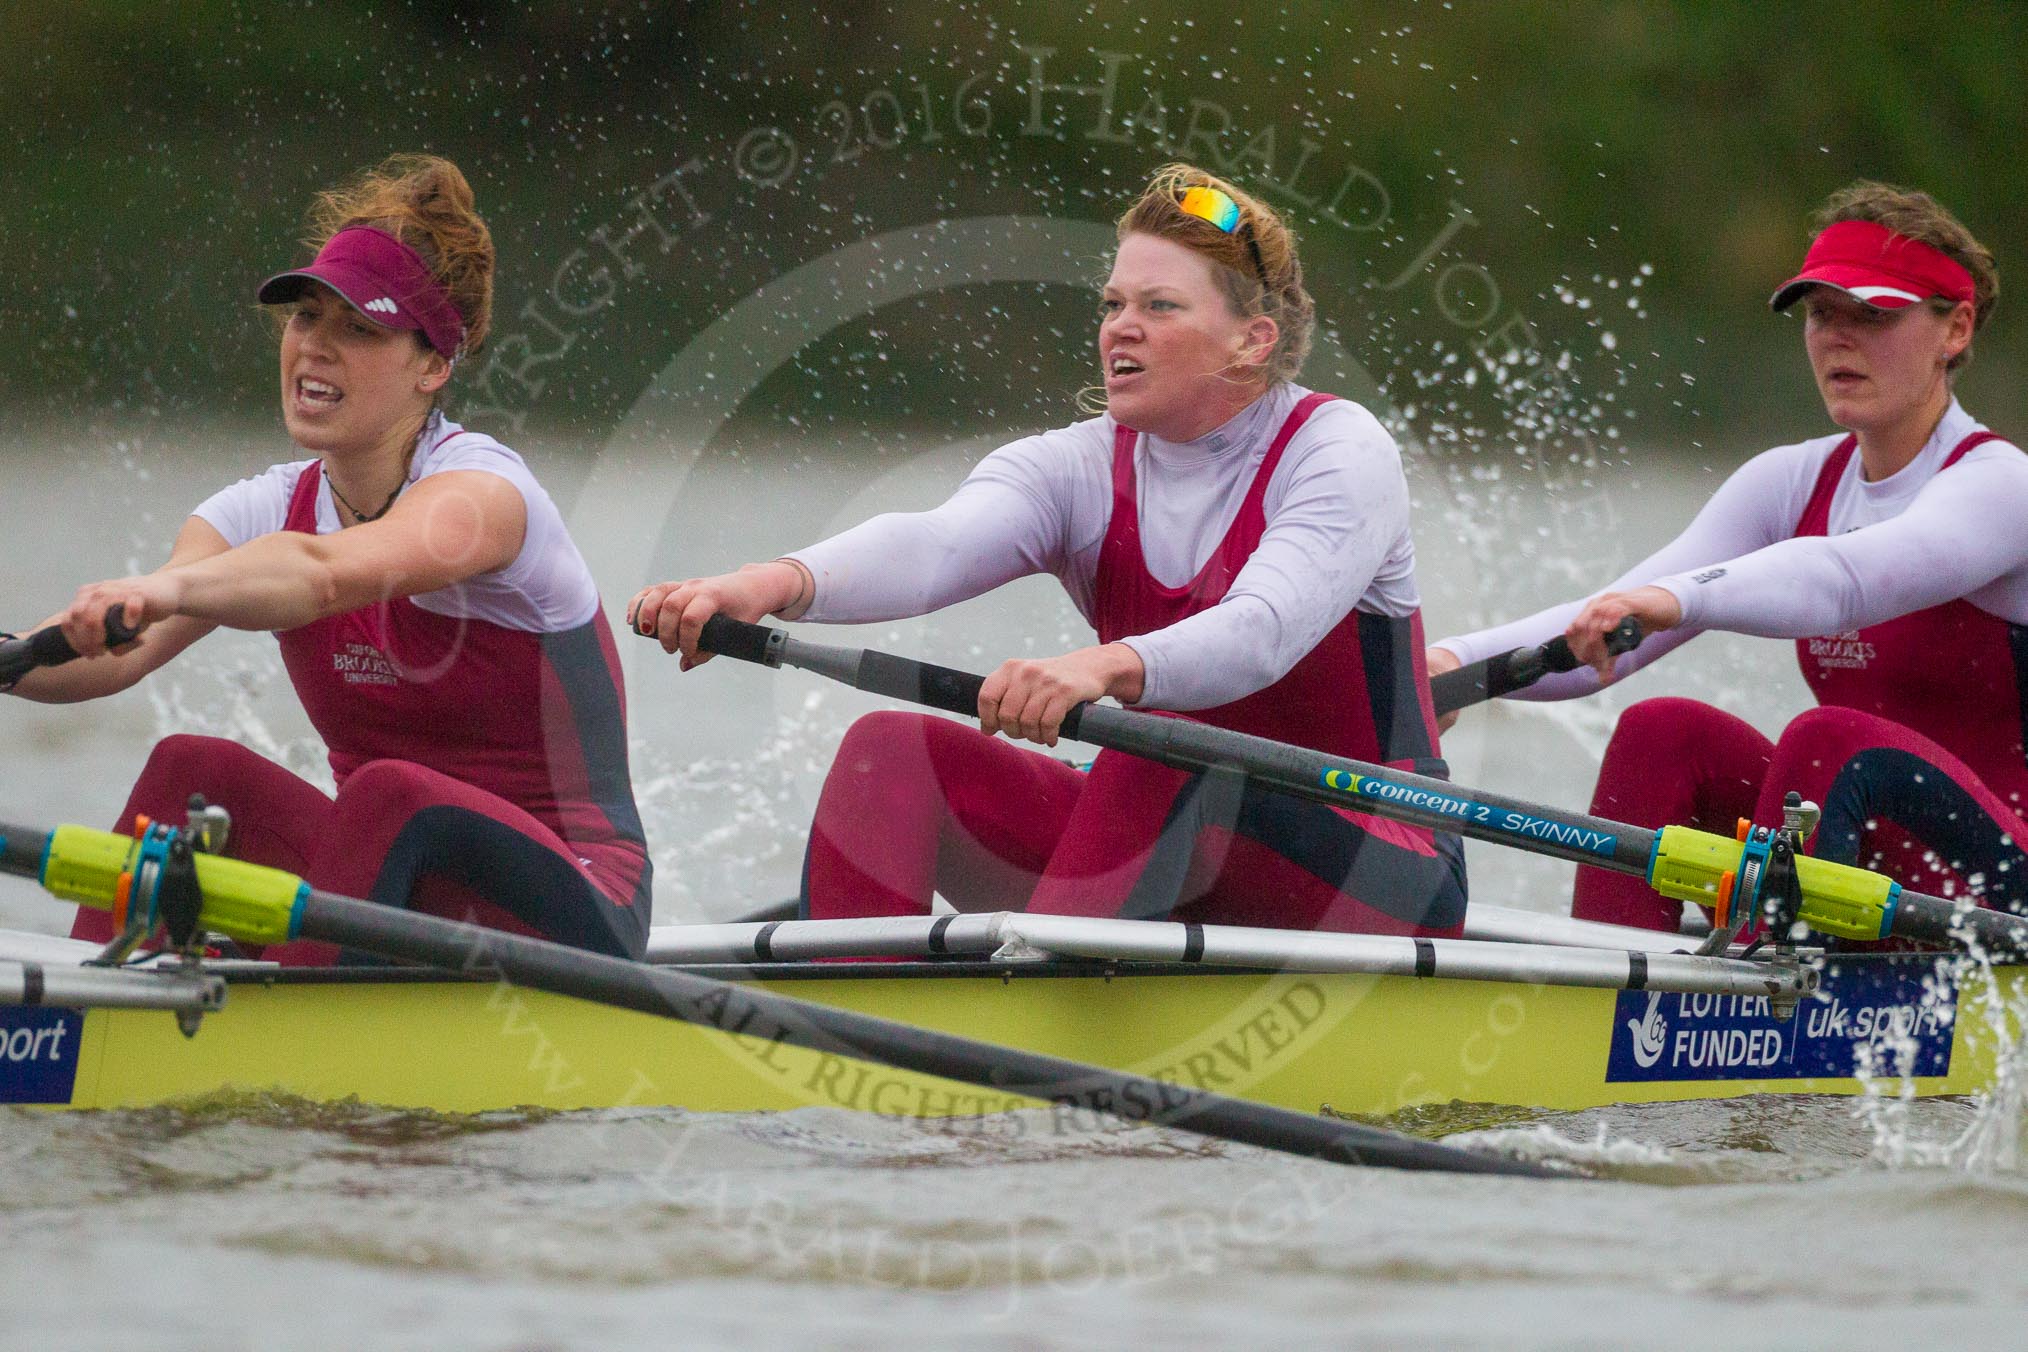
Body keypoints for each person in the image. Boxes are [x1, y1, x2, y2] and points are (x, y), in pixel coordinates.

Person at [632, 163, 1465, 935]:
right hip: (1169, 837)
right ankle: (853, 1004)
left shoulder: (1340, 450)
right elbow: (934, 545)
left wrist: (1099, 669)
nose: (1119, 330)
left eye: (1159, 307)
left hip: (1380, 855)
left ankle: (1042, 1004)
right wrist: (767, 583)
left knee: (1165, 755)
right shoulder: (1074, 466)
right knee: (891, 753)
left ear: (1251, 340)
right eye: (1112, 305)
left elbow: (1263, 631)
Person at [7, 154, 651, 963]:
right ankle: (96, 1012)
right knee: (191, 768)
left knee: (390, 793)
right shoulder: (254, 510)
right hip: (393, 891)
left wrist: (165, 586)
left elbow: (322, 573)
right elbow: (111, 660)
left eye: (360, 328)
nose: (315, 348)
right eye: (306, 317)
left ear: (434, 365)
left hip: (576, 909)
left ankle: (304, 1043)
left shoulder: (484, 497)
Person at [1429, 181, 2025, 933]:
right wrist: (1452, 669)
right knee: (1661, 732)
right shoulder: (1792, 481)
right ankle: (1612, 1006)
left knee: (1826, 740)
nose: (1838, 337)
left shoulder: (2000, 487)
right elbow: (1602, 638)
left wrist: (1678, 600)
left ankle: (1763, 999)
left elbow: (1844, 582)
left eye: (1871, 314)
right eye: (1820, 315)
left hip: (2004, 877)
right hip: (1871, 860)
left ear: (1956, 328)